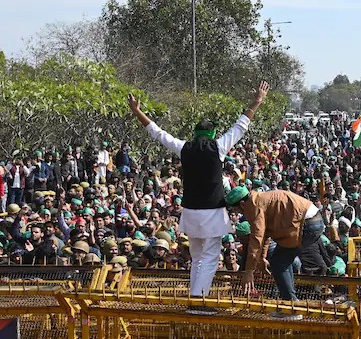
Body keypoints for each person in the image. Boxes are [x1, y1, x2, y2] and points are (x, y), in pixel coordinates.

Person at [127, 81, 269, 315]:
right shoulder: (219, 146)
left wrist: (136, 111)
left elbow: (157, 132)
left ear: (195, 133)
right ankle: (198, 303)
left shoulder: (184, 148)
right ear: (212, 133)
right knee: (210, 259)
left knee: (197, 258)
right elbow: (241, 125)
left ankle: (196, 300)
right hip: (212, 213)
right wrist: (257, 101)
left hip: (191, 213)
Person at [226, 186, 325, 320]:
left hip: (306, 223)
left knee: (279, 262)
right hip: (312, 221)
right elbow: (266, 234)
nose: (237, 213)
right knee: (281, 260)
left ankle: (291, 307)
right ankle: (291, 304)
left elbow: (257, 238)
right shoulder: (260, 200)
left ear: (242, 204)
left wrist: (249, 271)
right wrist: (262, 259)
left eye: (236, 210)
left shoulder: (254, 205)